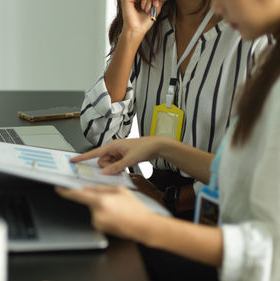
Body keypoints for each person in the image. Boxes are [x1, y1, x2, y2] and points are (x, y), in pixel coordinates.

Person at [57, 0, 280, 279]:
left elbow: (266, 251)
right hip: (184, 201)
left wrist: (151, 219)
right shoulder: (155, 20)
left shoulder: (256, 43)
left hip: (211, 215)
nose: (219, 8)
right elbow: (242, 170)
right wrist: (161, 146)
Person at [80, 0, 268, 216]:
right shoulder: (151, 17)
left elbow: (256, 172)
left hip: (220, 209)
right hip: (155, 194)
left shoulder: (253, 30)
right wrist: (131, 35)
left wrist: (173, 199)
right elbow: (99, 130)